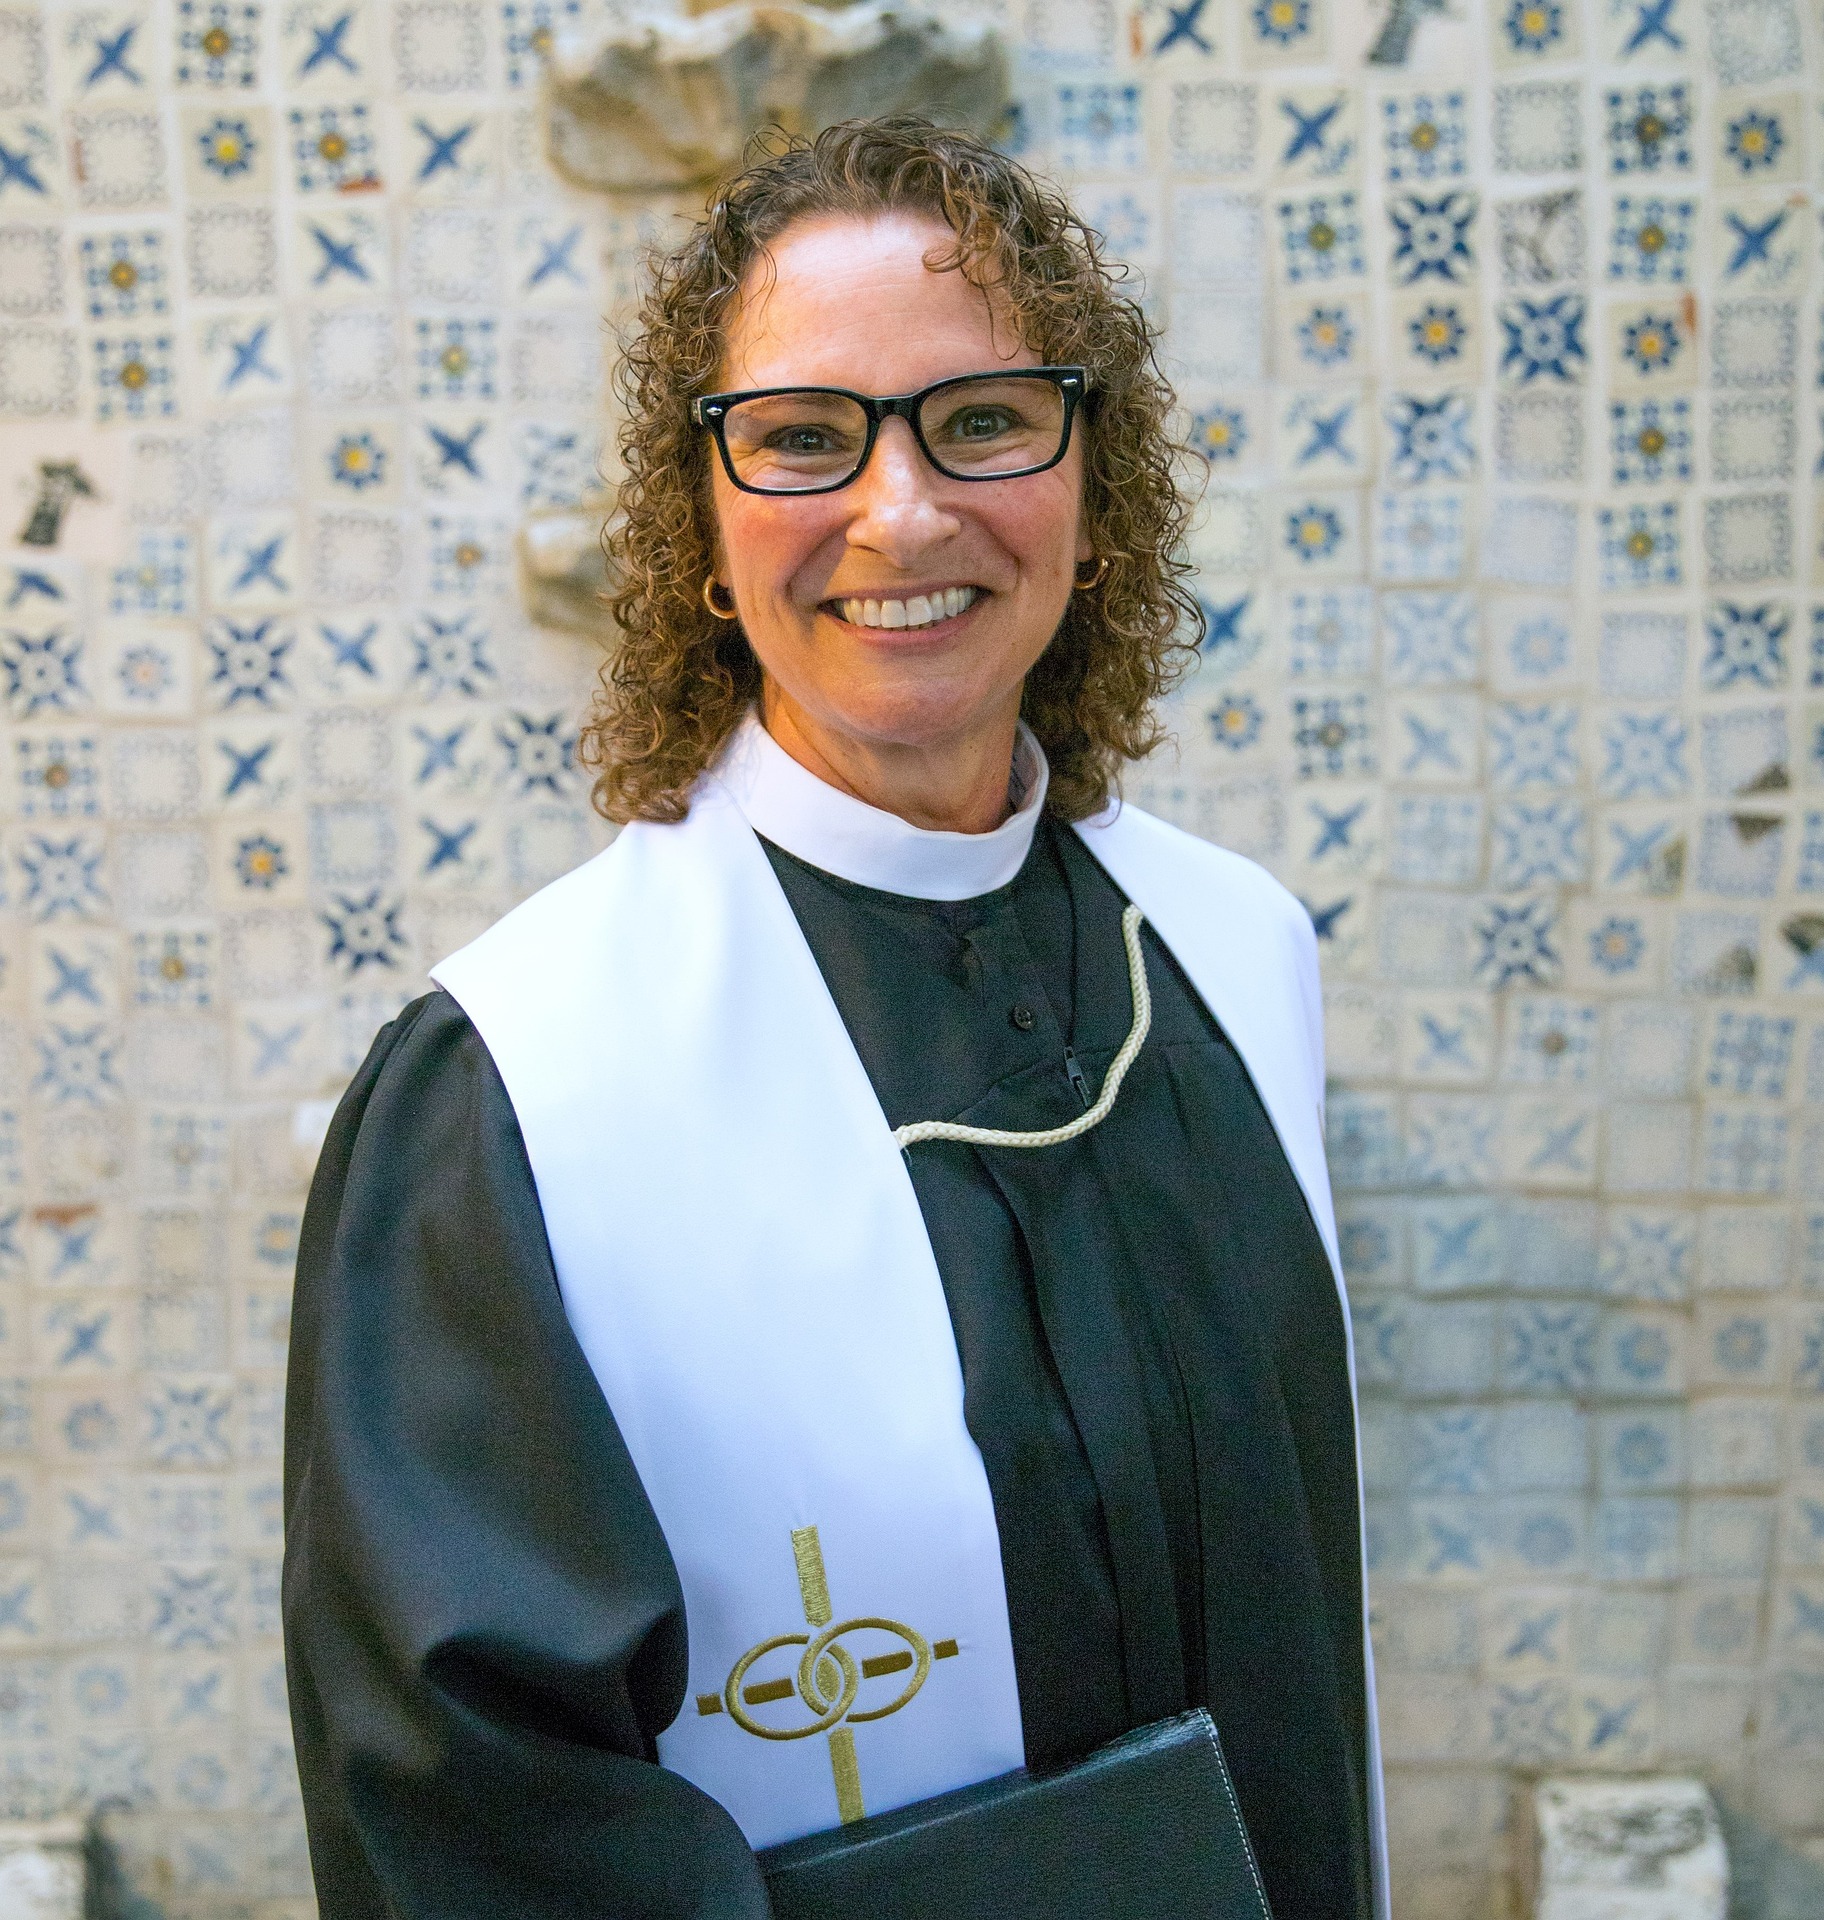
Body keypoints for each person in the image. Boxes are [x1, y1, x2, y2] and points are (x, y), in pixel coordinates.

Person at [283, 117, 1387, 1920]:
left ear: (1090, 488)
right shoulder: (517, 1085)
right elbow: (472, 1820)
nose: (903, 510)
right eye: (804, 436)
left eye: (984, 419)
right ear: (704, 529)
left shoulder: (1231, 953)